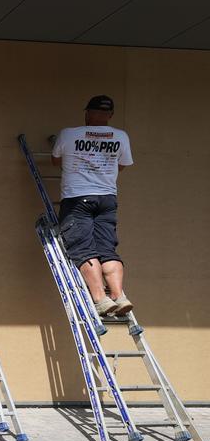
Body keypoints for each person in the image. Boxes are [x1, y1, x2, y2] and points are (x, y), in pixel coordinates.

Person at [52, 95, 134, 316]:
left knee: (83, 249)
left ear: (87, 113)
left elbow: (56, 160)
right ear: (111, 115)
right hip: (107, 198)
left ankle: (101, 300)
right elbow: (123, 165)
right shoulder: (121, 136)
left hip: (78, 199)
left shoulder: (69, 134)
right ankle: (119, 295)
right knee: (107, 251)